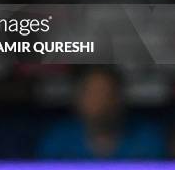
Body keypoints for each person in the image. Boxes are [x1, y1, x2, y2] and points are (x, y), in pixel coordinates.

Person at [38, 66, 166, 159]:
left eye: (107, 94)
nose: (101, 102)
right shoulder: (58, 141)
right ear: (78, 100)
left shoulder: (148, 141)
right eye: (93, 94)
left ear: (120, 99)